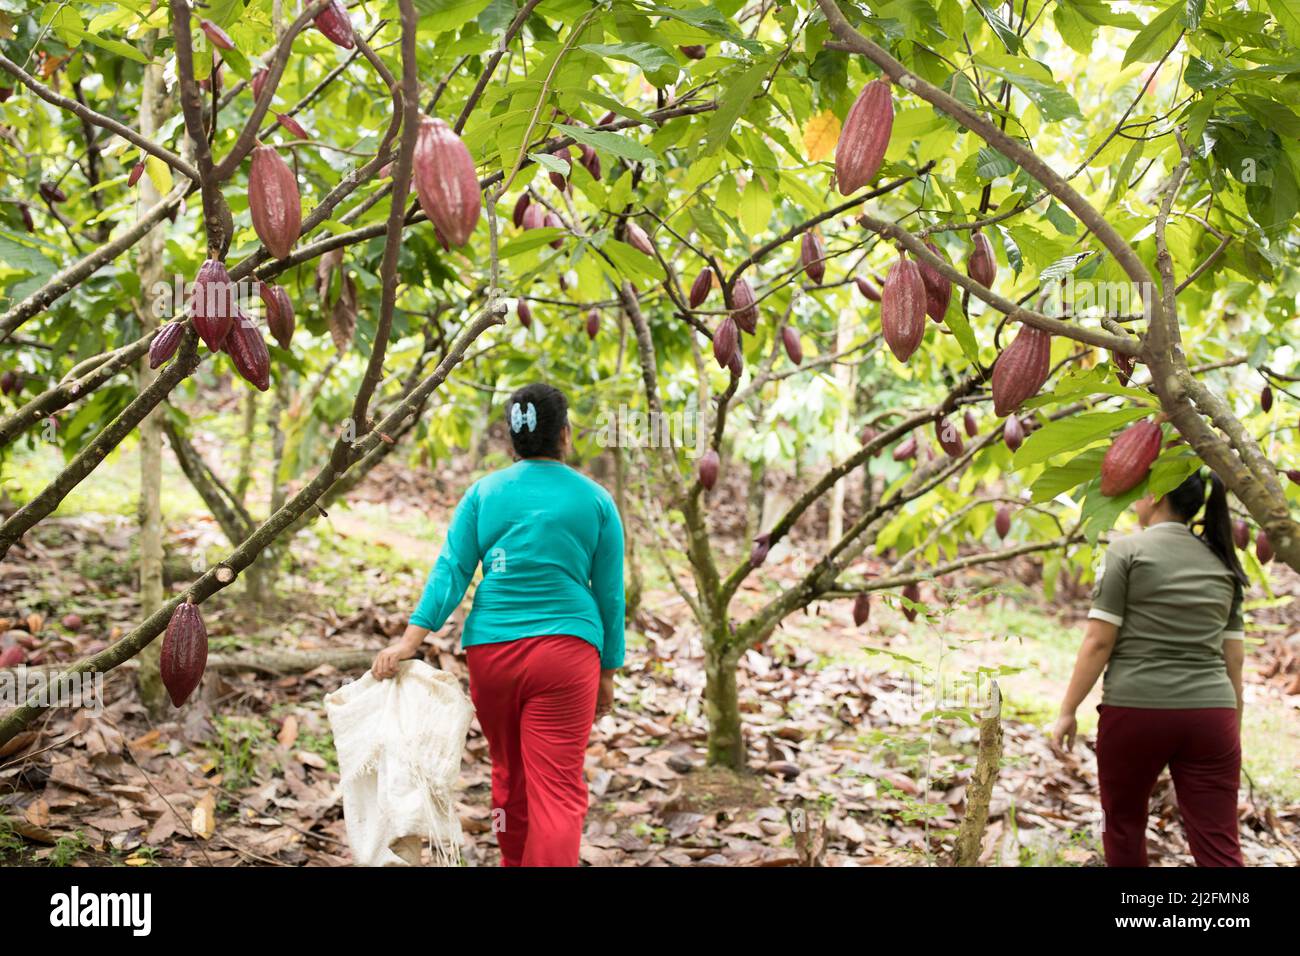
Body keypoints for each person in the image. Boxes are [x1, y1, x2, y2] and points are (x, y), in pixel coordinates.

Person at [372, 382, 625, 867]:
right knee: (557, 790)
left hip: (493, 654)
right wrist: (609, 671)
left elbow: (452, 570)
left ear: (512, 440)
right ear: (566, 435)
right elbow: (611, 594)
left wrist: (409, 641)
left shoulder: (483, 493)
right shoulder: (595, 500)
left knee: (509, 774)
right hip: (567, 655)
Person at [1053, 469, 1247, 867]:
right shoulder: (1224, 562)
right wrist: (1232, 724)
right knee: (1219, 843)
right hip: (1211, 716)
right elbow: (1235, 659)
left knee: (1122, 827)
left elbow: (1098, 640)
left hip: (1136, 711)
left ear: (1156, 493)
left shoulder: (1127, 552)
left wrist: (1067, 710)